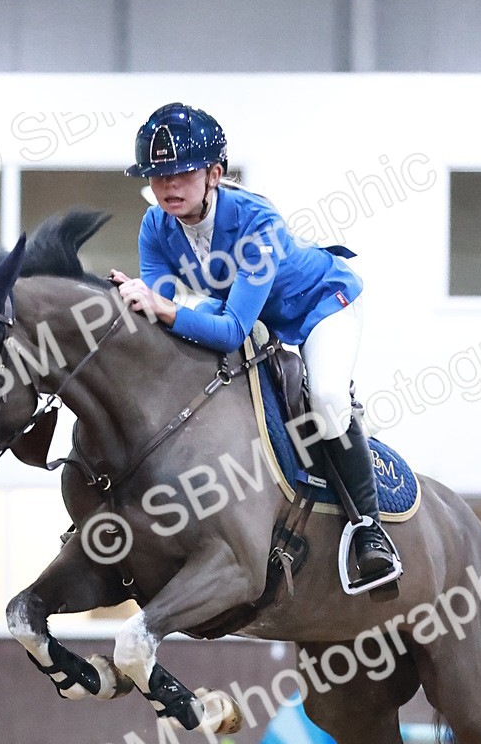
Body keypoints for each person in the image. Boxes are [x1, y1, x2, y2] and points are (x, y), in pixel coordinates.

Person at [111, 102, 396, 585]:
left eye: (181, 174)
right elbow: (162, 309)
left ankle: (367, 528)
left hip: (321, 306)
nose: (168, 187)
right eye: (158, 177)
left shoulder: (257, 221)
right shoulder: (155, 226)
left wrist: (166, 309)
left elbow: (229, 332)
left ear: (214, 174)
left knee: (325, 398)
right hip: (250, 313)